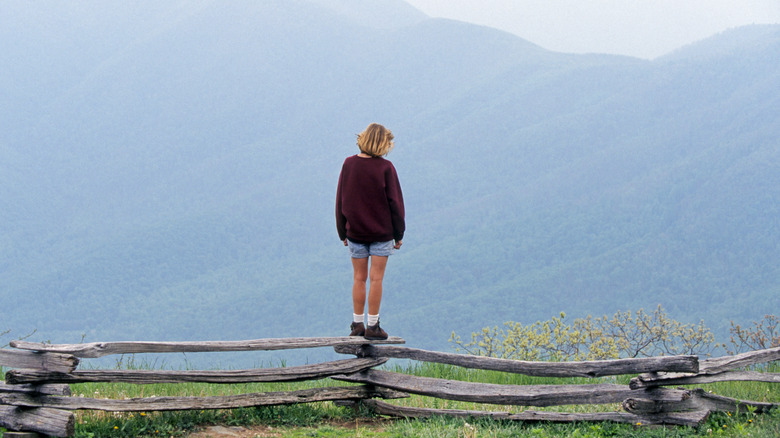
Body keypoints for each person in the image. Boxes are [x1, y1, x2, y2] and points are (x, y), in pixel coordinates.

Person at [335, 123, 405, 340]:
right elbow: (395, 204)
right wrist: (398, 234)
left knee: (359, 279)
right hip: (382, 233)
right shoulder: (386, 168)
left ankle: (357, 324)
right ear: (383, 143)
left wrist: (342, 232)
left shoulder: (349, 164)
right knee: (376, 280)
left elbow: (341, 200)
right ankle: (373, 326)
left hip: (355, 232)